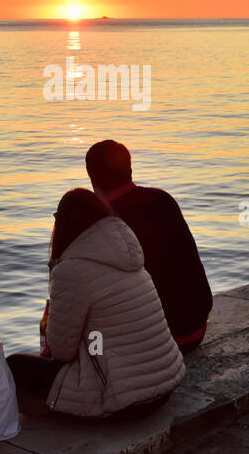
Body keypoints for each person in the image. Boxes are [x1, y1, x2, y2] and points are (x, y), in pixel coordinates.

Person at [7, 189, 185, 419]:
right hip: (164, 386)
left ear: (63, 224)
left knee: (13, 366)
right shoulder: (131, 259)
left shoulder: (71, 271)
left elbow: (61, 351)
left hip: (125, 401)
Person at [84, 140, 212, 352]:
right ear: (130, 169)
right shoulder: (163, 199)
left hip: (159, 342)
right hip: (195, 328)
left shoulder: (104, 221)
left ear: (91, 178)